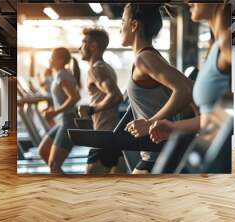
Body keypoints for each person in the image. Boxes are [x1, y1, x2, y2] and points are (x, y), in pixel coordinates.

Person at [120, 3, 194, 174]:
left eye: (123, 21)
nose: (120, 27)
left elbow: (186, 89)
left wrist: (150, 123)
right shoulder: (146, 57)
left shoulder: (144, 58)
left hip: (158, 153)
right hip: (156, 151)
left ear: (134, 25)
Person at [149, 3, 231, 147]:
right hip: (209, 147)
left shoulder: (226, 42)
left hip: (226, 151)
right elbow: (210, 116)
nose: (188, 3)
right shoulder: (215, 46)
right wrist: (174, 127)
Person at [78, 28, 125, 174]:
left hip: (104, 136)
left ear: (93, 46)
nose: (80, 48)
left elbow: (116, 96)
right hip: (111, 134)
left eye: (84, 42)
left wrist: (91, 109)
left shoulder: (96, 69)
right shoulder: (106, 67)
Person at [38, 47, 81, 174]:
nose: (49, 60)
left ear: (60, 60)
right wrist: (54, 109)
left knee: (54, 165)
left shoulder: (63, 74)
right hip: (62, 121)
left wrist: (55, 112)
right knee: (43, 151)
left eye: (51, 57)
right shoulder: (59, 74)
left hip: (69, 121)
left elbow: (74, 97)